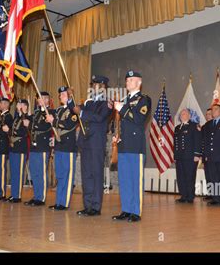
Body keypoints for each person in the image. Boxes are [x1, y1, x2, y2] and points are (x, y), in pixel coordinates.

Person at [112, 70, 151, 222]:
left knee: (135, 179)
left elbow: (139, 119)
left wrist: (122, 108)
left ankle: (136, 211)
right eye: (127, 80)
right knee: (125, 179)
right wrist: (117, 134)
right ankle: (126, 209)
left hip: (135, 145)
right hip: (123, 145)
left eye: (131, 79)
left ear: (139, 83)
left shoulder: (144, 99)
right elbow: (120, 122)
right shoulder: (124, 99)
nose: (128, 82)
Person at [70, 75, 112, 217]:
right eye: (93, 85)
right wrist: (71, 98)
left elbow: (99, 117)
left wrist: (81, 112)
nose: (94, 87)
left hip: (96, 143)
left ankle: (96, 207)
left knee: (96, 174)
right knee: (86, 174)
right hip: (85, 141)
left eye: (97, 85)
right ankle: (87, 205)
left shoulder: (106, 102)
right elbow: (74, 109)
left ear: (104, 87)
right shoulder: (88, 102)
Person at [46, 86, 78, 210]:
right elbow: (48, 113)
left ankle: (64, 203)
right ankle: (59, 201)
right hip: (59, 146)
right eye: (60, 94)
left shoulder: (74, 109)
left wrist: (53, 121)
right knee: (59, 175)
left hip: (68, 147)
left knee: (67, 175)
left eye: (64, 94)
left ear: (70, 95)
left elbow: (70, 124)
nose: (61, 96)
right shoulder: (58, 110)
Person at [25, 92, 54, 207]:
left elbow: (44, 126)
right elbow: (28, 120)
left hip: (42, 146)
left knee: (41, 173)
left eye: (42, 98)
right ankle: (36, 195)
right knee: (34, 172)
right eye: (38, 98)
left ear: (47, 100)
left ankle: (41, 198)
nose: (39, 100)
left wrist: (31, 124)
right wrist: (25, 112)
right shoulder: (36, 113)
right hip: (34, 146)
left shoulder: (50, 113)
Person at [174, 108, 202, 203]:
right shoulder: (177, 128)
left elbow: (198, 141)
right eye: (181, 114)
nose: (182, 115)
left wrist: (197, 154)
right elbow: (176, 143)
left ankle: (190, 197)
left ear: (189, 116)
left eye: (185, 113)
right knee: (180, 177)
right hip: (180, 157)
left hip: (190, 157)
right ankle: (183, 195)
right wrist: (175, 156)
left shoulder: (194, 126)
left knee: (189, 177)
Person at [7, 99, 30, 203]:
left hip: (20, 148)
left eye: (19, 104)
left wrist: (11, 131)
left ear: (25, 106)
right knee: (14, 172)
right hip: (13, 147)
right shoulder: (16, 118)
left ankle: (18, 196)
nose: (17, 105)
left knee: (19, 173)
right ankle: (13, 194)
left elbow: (25, 132)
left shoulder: (27, 118)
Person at [203, 107, 213, 199]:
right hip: (206, 156)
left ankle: (217, 195)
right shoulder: (204, 127)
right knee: (208, 176)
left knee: (216, 177)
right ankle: (210, 194)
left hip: (216, 156)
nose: (208, 116)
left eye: (210, 114)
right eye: (207, 114)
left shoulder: (215, 126)